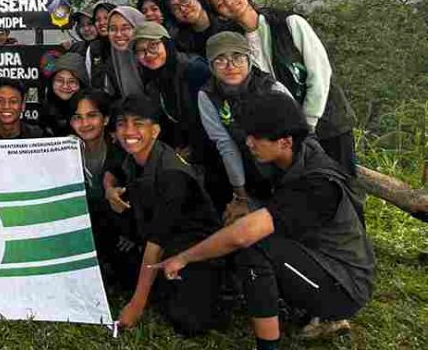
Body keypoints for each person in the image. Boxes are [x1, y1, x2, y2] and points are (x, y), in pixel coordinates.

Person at [153, 94, 375, 348]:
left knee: (254, 245)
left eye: (256, 137)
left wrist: (184, 258)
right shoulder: (289, 157)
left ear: (285, 141)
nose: (248, 142)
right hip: (315, 260)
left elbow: (243, 235)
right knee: (244, 229)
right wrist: (244, 205)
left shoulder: (318, 184)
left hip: (344, 287)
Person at [207, 0, 357, 173]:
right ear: (221, 15)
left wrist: (308, 122)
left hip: (327, 121)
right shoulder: (238, 44)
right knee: (305, 183)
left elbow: (320, 73)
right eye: (220, 4)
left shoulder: (288, 23)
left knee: (341, 178)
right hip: (286, 133)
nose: (228, 2)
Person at [108, 94, 224, 336]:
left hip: (194, 247)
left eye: (138, 123)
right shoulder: (132, 154)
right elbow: (112, 171)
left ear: (155, 131)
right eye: (122, 124)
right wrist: (109, 189)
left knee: (189, 322)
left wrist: (136, 305)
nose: (129, 131)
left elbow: (156, 242)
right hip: (157, 239)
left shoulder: (172, 173)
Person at [198, 32, 295, 220]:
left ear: (249, 60)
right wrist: (241, 195)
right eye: (220, 60)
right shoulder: (208, 95)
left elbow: (298, 138)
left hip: (287, 171)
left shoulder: (272, 89)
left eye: (238, 58)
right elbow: (225, 144)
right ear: (210, 66)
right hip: (248, 176)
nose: (231, 66)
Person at [69, 91, 136, 288]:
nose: (84, 124)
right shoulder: (66, 152)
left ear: (106, 119)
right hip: (84, 233)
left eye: (92, 115)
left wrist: (133, 233)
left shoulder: (123, 150)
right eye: (77, 117)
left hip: (121, 233)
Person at [132, 22, 209, 160]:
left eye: (153, 46)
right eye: (140, 51)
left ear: (167, 44)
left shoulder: (194, 69)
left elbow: (206, 117)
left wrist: (193, 148)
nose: (148, 54)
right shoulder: (152, 82)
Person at [160, 0, 237, 57]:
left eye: (184, 0)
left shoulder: (230, 25)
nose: (183, 9)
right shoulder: (181, 44)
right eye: (175, 8)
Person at [40, 52, 90, 137]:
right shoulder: (45, 108)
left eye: (72, 81)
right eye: (59, 80)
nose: (65, 86)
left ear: (81, 84)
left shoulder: (91, 109)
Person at [105, 6, 147, 101]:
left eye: (125, 28)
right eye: (113, 29)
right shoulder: (111, 64)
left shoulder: (153, 59)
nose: (118, 34)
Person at [85, 2, 115, 90]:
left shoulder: (125, 46)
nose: (102, 23)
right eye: (97, 20)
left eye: (106, 18)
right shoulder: (93, 48)